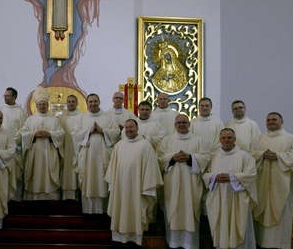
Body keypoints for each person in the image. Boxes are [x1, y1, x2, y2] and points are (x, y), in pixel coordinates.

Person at [252, 112, 293, 249]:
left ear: (282, 122)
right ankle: (264, 245)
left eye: (274, 120)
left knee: (282, 213)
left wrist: (278, 156)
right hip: (263, 183)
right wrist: (262, 155)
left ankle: (281, 245)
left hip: (283, 184)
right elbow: (252, 155)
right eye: (268, 120)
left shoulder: (290, 138)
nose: (271, 122)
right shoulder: (260, 138)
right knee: (264, 213)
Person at [106, 119, 163, 247]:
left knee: (136, 214)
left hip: (138, 190)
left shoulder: (145, 145)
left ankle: (134, 240)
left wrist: (147, 190)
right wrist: (112, 187)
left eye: (131, 127)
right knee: (119, 213)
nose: (128, 130)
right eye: (126, 128)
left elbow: (150, 169)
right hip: (120, 189)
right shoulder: (119, 145)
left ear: (137, 128)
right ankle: (118, 239)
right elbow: (112, 170)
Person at [156, 114, 210, 249]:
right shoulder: (167, 140)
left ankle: (189, 244)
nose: (181, 125)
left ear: (189, 124)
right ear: (174, 125)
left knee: (190, 211)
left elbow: (206, 157)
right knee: (172, 211)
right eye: (179, 123)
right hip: (172, 184)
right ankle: (173, 243)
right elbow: (159, 158)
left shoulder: (198, 140)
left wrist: (190, 157)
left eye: (184, 122)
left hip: (191, 184)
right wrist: (172, 157)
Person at [202, 128, 257, 249]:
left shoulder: (245, 156)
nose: (226, 140)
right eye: (224, 138)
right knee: (221, 225)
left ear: (235, 139)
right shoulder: (213, 156)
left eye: (229, 138)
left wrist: (232, 178)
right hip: (218, 197)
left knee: (238, 225)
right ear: (220, 140)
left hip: (237, 198)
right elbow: (204, 174)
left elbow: (251, 175)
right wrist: (215, 177)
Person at [72, 93, 120, 214]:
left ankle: (104, 211)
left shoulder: (109, 117)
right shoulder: (81, 118)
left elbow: (116, 132)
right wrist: (89, 132)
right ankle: (88, 212)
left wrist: (102, 131)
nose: (93, 104)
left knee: (102, 181)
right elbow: (75, 134)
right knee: (88, 182)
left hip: (104, 156)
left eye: (95, 101)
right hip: (87, 156)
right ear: (87, 103)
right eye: (90, 102)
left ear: (99, 102)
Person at [20, 86, 64, 200]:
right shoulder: (30, 120)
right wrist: (33, 134)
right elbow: (23, 133)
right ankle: (33, 197)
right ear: (36, 106)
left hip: (49, 151)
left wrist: (50, 134)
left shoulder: (54, 119)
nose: (42, 106)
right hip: (35, 151)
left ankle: (50, 197)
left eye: (44, 104)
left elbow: (61, 133)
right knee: (35, 173)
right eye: (40, 104)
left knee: (48, 173)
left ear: (47, 105)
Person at [0, 87, 28, 201]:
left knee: (16, 173)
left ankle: (16, 198)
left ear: (14, 97)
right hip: (3, 147)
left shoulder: (21, 112)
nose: (5, 98)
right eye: (5, 96)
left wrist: (13, 140)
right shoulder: (1, 109)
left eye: (8, 96)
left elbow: (24, 128)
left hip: (16, 146)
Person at [58, 95, 82, 200]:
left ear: (77, 103)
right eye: (69, 101)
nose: (71, 103)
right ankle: (65, 195)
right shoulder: (61, 117)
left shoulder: (82, 117)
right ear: (66, 103)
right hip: (64, 147)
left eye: (73, 101)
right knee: (65, 168)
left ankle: (76, 196)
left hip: (77, 148)